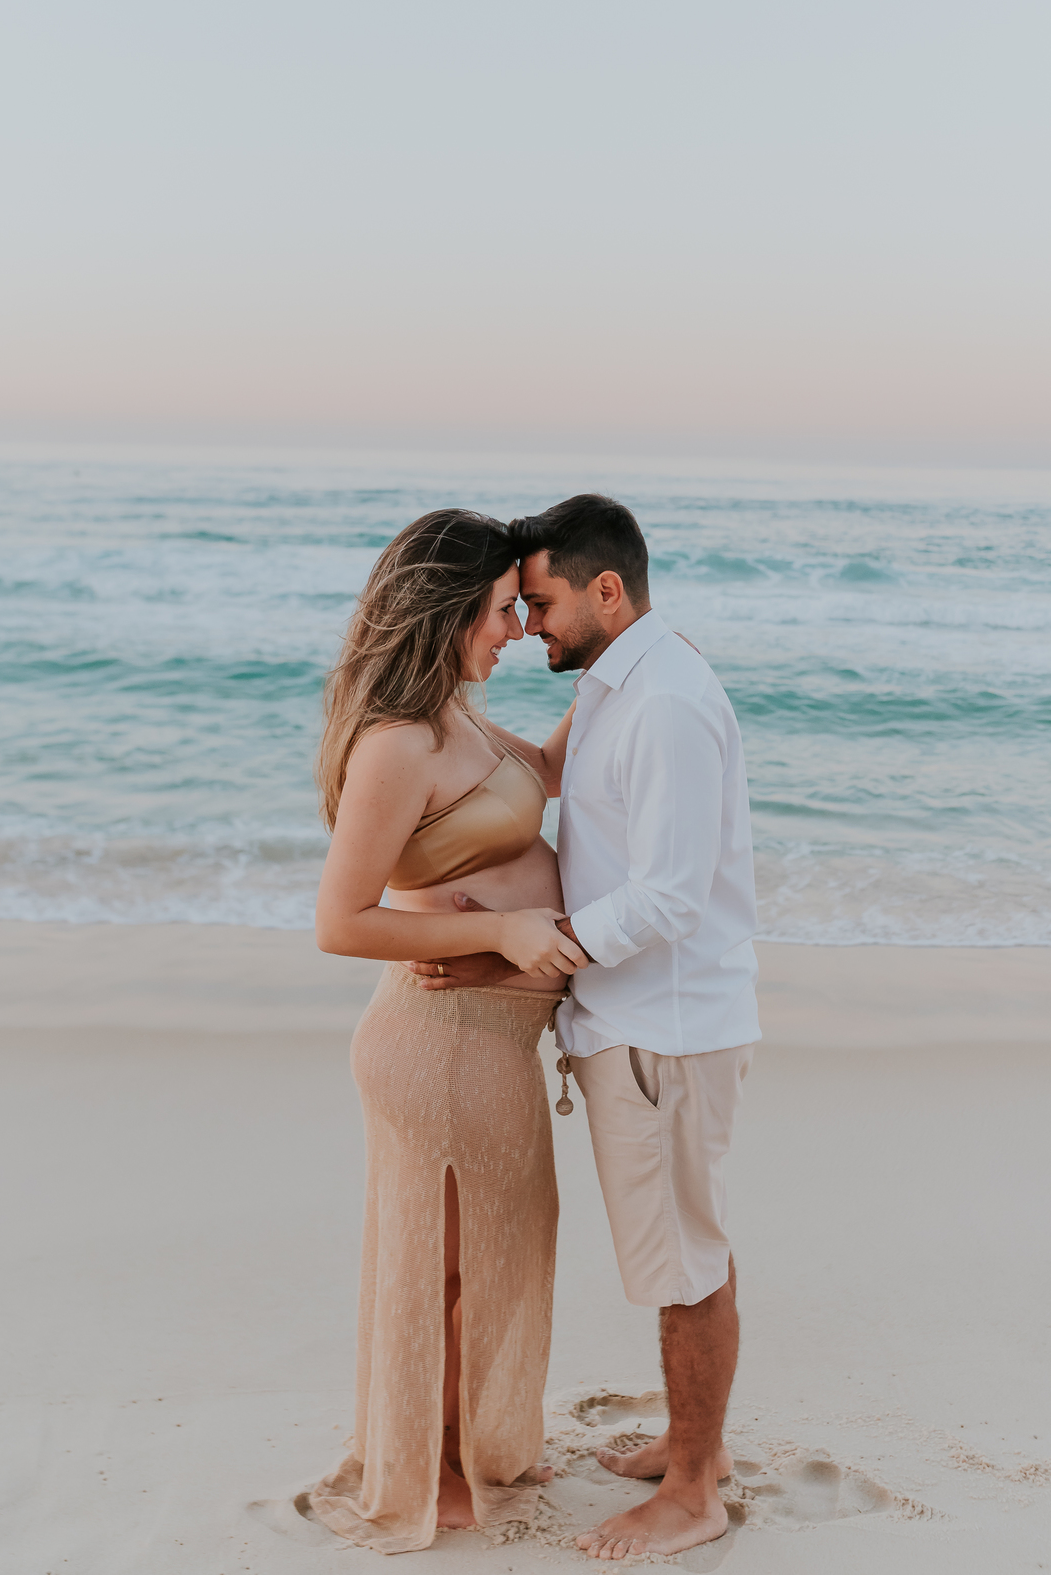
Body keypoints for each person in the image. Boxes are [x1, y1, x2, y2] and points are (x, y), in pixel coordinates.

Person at [417, 495, 761, 1560]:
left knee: (680, 1264)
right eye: (517, 605)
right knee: (678, 1248)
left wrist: (523, 940)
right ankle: (685, 1441)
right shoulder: (622, 680)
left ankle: (696, 1488)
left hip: (661, 1029)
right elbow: (546, 779)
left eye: (544, 601)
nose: (530, 625)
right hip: (638, 1020)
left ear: (608, 590)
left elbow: (666, 897)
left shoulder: (659, 701)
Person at [302, 508, 588, 1553]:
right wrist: (512, 927)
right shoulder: (399, 743)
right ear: (447, 608)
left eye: (522, 605)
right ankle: (435, 1466)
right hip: (442, 1035)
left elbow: (555, 773)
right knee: (453, 1266)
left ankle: (472, 1441)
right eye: (504, 607)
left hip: (488, 1037)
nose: (516, 626)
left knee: (504, 1249)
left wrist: (624, 655)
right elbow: (340, 920)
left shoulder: (461, 719)